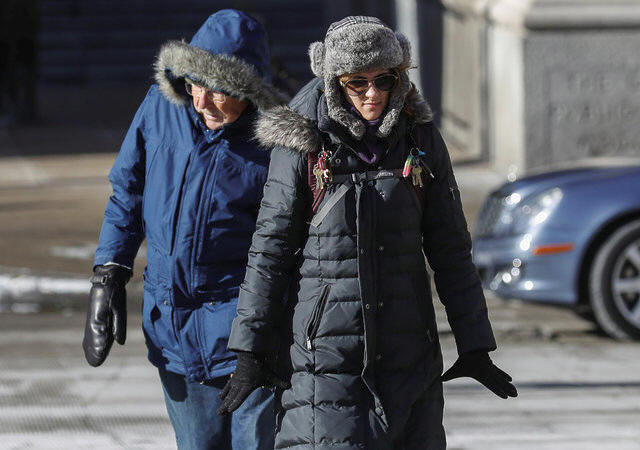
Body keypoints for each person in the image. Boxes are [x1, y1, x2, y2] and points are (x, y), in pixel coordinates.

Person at [218, 16, 517, 449]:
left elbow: (450, 247)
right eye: (357, 83)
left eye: (384, 80)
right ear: (334, 83)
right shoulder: (303, 141)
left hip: (408, 349)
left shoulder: (419, 138)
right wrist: (250, 349)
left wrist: (475, 344)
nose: (372, 94)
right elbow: (271, 248)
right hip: (324, 356)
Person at [81, 9, 288, 449]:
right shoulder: (160, 108)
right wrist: (109, 271)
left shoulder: (275, 145)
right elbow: (128, 192)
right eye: (195, 84)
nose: (202, 101)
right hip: (173, 330)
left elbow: (287, 250)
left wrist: (259, 341)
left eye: (219, 91)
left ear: (248, 90)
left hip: (247, 342)